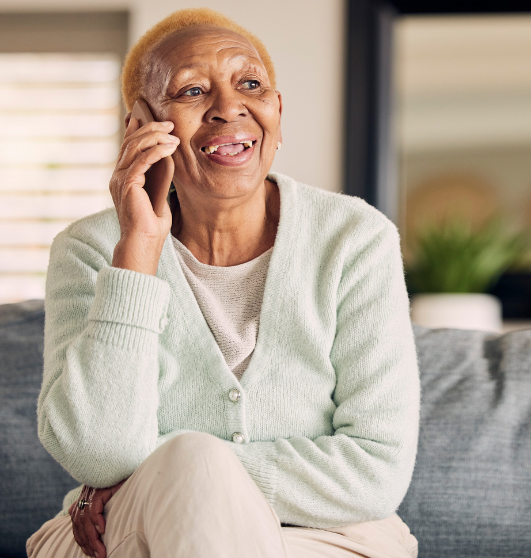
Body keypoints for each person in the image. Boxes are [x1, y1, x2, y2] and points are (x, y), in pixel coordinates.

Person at [26, 8, 420, 558]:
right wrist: (137, 249)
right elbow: (97, 453)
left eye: (251, 85)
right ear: (140, 124)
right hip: (123, 532)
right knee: (190, 463)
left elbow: (376, 469)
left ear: (277, 113)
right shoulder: (91, 250)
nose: (229, 107)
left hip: (324, 536)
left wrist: (173, 472)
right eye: (191, 91)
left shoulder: (355, 239)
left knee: (196, 462)